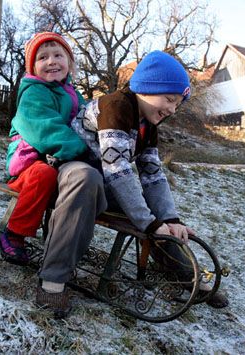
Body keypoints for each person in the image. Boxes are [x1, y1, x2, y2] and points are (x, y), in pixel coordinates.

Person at [71, 50, 229, 309]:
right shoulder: (116, 106)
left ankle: (186, 277)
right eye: (169, 99)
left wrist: (169, 218)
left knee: (157, 218)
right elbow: (118, 170)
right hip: (79, 178)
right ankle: (184, 274)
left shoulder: (148, 125)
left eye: (177, 103)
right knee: (149, 220)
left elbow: (153, 175)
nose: (172, 109)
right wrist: (151, 223)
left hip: (104, 179)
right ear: (146, 88)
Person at [0, 32, 89, 266]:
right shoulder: (33, 93)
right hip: (28, 167)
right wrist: (83, 150)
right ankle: (14, 233)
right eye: (43, 57)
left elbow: (89, 119)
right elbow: (47, 131)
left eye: (58, 55)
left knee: (82, 181)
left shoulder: (75, 94)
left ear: (69, 63)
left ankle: (64, 240)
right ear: (32, 67)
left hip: (59, 160)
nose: (51, 61)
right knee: (43, 174)